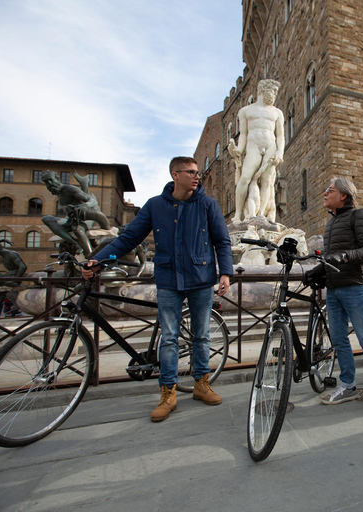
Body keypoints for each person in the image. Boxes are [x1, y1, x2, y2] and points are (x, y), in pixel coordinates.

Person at [82, 157, 234, 422]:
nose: (197, 176)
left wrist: (225, 272)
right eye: (190, 172)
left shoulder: (208, 204)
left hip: (201, 278)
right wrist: (100, 260)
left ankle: (202, 384)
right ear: (175, 174)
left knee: (201, 336)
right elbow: (128, 238)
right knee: (170, 337)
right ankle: (168, 392)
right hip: (168, 279)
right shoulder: (155, 205)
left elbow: (222, 240)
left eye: (198, 172)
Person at [305, 177, 363, 415]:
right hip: (334, 289)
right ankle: (348, 385)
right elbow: (331, 257)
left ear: (344, 195)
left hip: (355, 286)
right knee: (339, 340)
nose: (324, 193)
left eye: (329, 190)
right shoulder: (331, 223)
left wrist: (343, 257)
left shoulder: (360, 215)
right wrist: (316, 271)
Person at [228, 79, 285, 223]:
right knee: (245, 178)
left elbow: (280, 135)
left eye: (275, 93)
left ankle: (261, 215)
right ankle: (238, 214)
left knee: (267, 182)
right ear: (262, 90)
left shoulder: (277, 112)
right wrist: (238, 150)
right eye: (272, 91)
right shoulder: (246, 111)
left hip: (270, 145)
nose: (274, 95)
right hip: (253, 145)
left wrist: (280, 152)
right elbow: (244, 134)